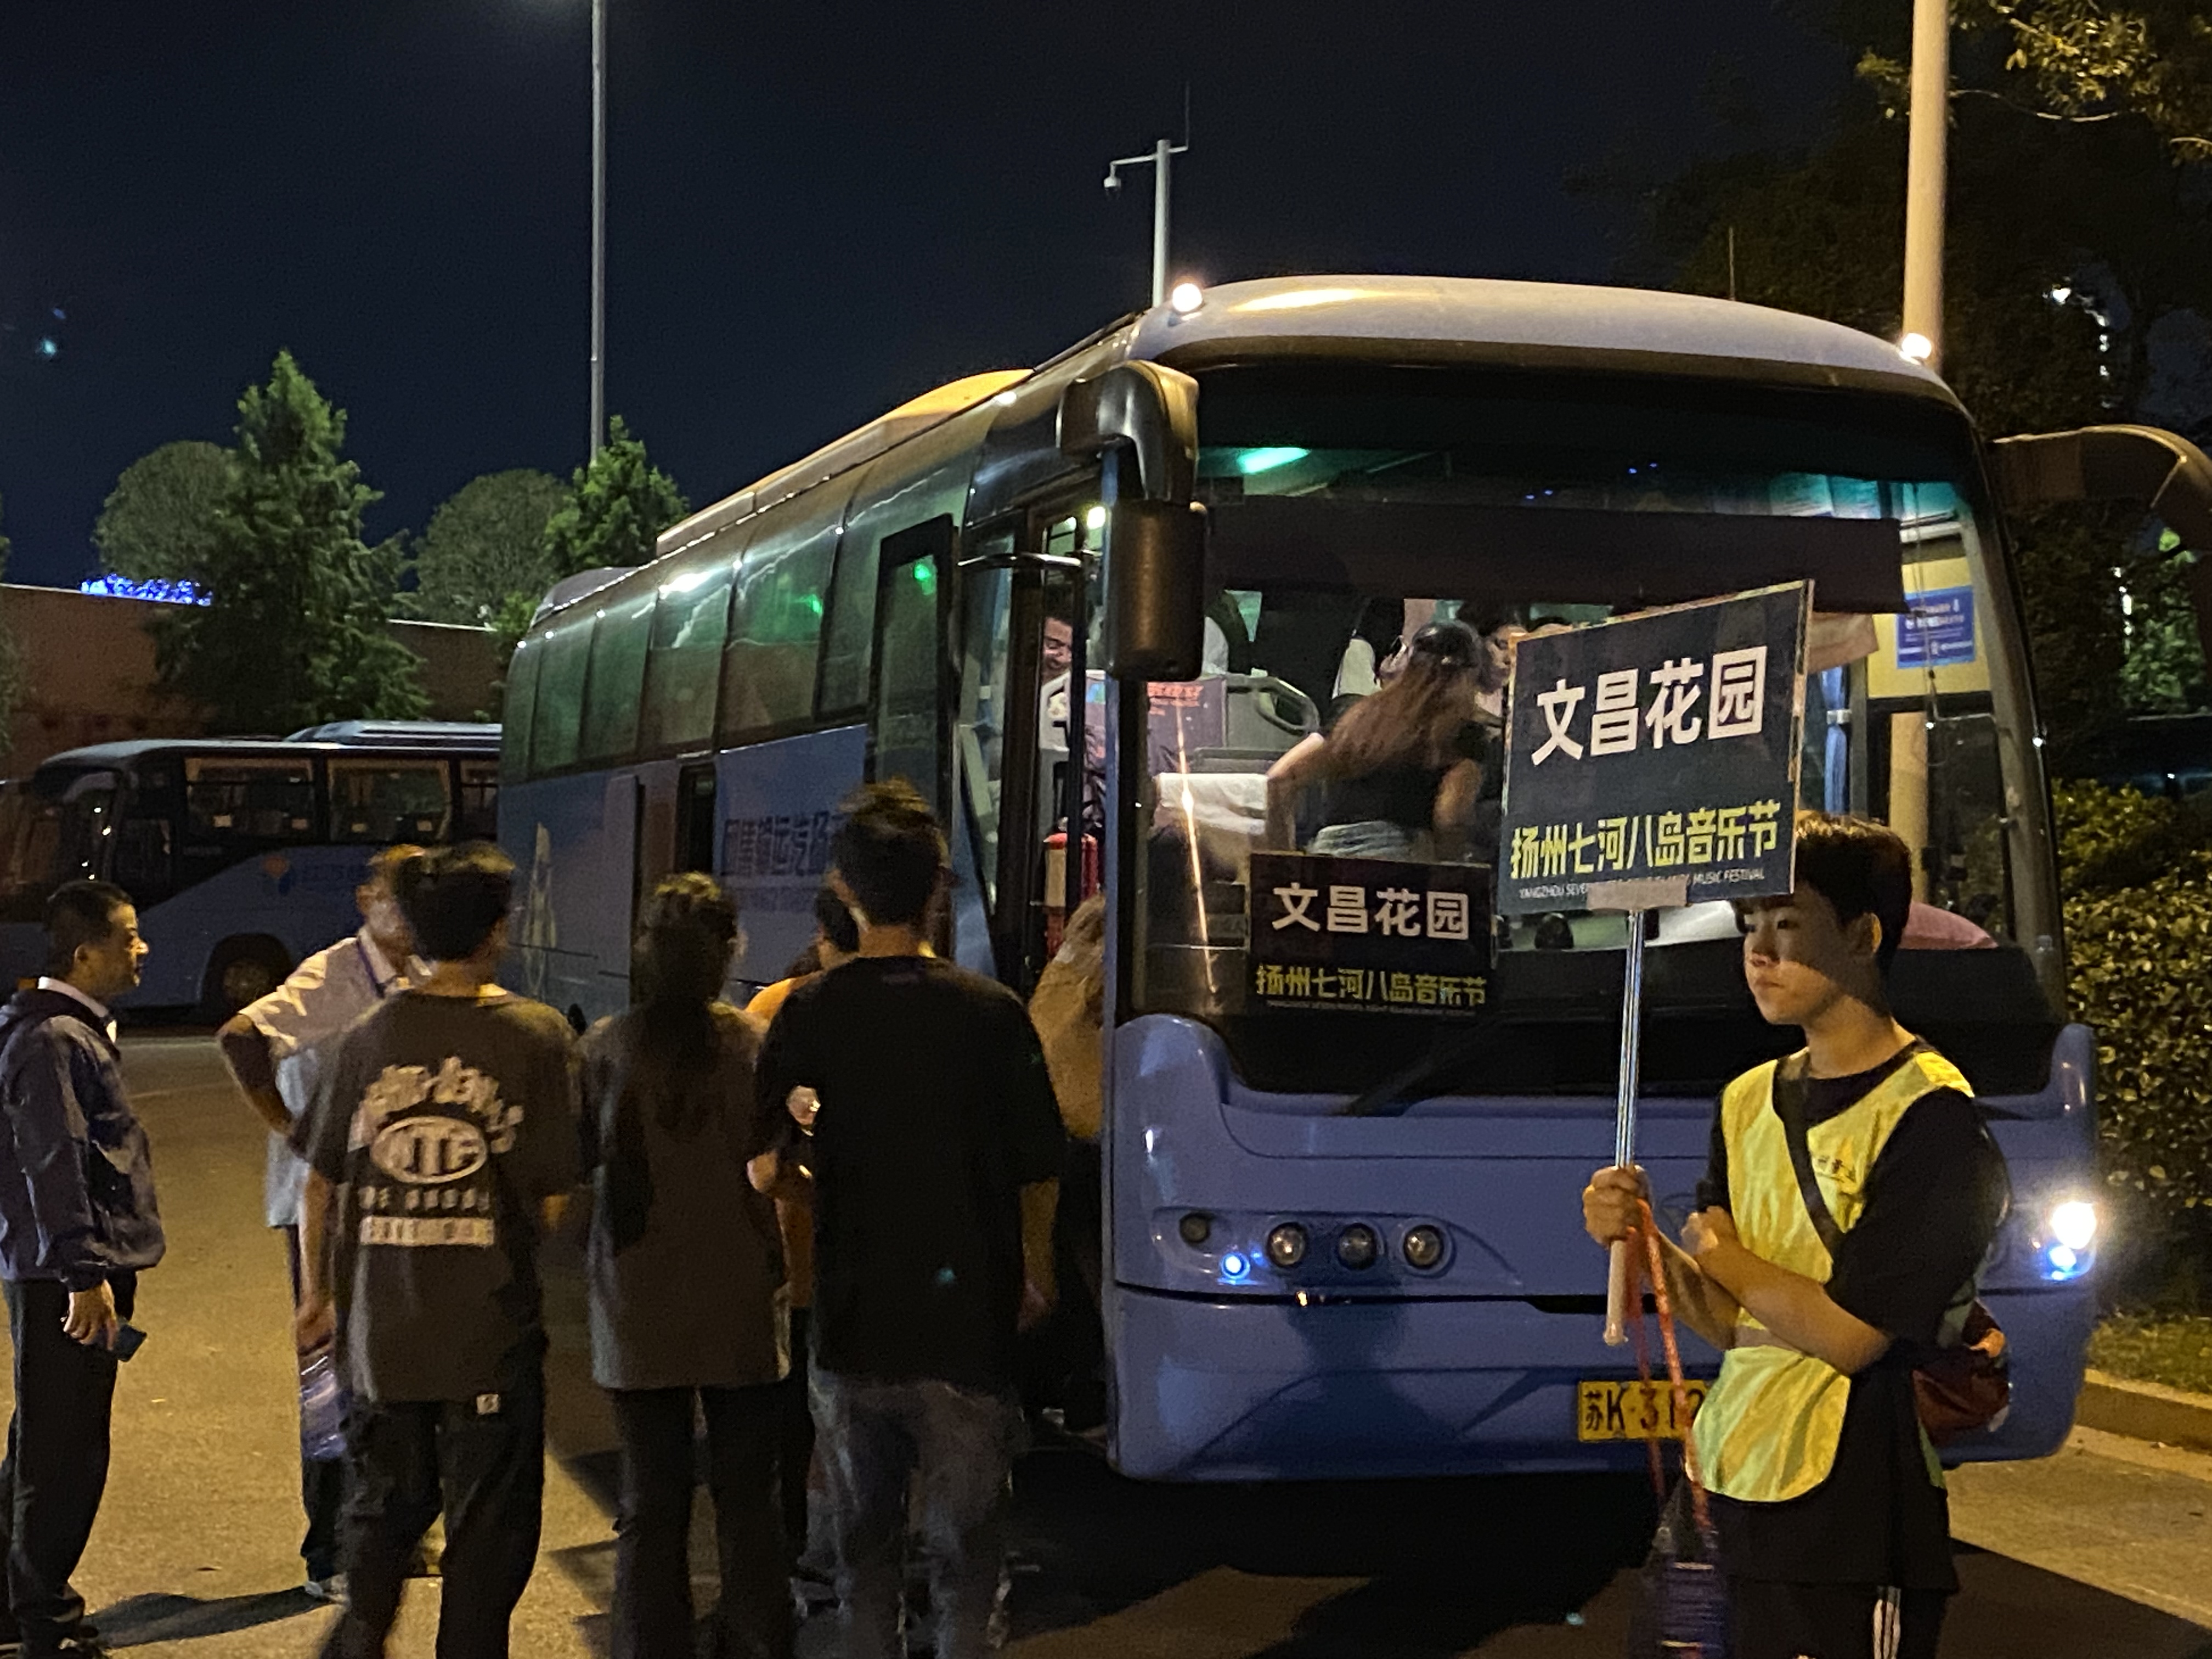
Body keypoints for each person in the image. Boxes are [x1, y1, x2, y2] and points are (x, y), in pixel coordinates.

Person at [1582, 812, 2009, 1659]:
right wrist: (1645, 1245)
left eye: (1787, 924)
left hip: (1854, 1510)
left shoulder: (1934, 1119)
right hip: (1726, 1482)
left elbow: (1852, 1338)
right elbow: (1733, 1325)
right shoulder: (1748, 1100)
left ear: (1862, 935)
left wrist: (1725, 1255)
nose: (1759, 952)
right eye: (1749, 926)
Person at [755, 782, 1065, 1659]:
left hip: (853, 1327)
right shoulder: (993, 1013)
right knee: (968, 1567)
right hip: (968, 1330)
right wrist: (1034, 1269)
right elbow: (1039, 1163)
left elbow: (768, 1169)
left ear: (843, 890)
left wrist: (830, 1190)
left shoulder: (808, 1010)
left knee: (866, 1565)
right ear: (938, 886)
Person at [292, 843, 581, 1659]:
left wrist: (318, 1296)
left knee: (381, 1521)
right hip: (489, 1338)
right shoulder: (537, 1036)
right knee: (488, 1540)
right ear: (498, 931)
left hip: (381, 1342)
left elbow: (320, 1183)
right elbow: (553, 1195)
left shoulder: (366, 1036)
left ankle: (358, 1642)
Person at [582, 874, 793, 1659]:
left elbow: (573, 1164)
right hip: (740, 1297)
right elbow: (782, 1165)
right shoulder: (754, 1046)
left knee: (651, 1501)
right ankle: (756, 1641)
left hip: (636, 1300)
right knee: (748, 1497)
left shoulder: (605, 1048)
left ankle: (649, 1646)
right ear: (728, 951)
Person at [216, 843, 422, 1600]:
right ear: (369, 901)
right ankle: (329, 1553)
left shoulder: (423, 975)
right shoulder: (330, 977)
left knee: (392, 1372)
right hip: (323, 1206)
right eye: (403, 896)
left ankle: (390, 1535)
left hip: (393, 1203)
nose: (416, 912)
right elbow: (240, 1038)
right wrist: (292, 1130)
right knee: (331, 1376)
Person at [0, 881, 163, 1659]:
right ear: (84, 953)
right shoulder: (54, 1040)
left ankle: (14, 1607)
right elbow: (53, 1159)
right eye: (128, 937)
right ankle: (47, 1623)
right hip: (67, 1274)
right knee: (64, 1453)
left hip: (62, 1267)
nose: (142, 948)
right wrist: (82, 1274)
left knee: (42, 1439)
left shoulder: (66, 1031)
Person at [744, 885, 860, 1592]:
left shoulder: (775, 1009)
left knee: (794, 1420)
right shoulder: (936, 1008)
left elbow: (761, 1164)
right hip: (878, 1265)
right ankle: (839, 1554)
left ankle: (798, 1555)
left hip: (797, 1260)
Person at [1265, 619, 1493, 862]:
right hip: (1400, 861)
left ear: (1408, 662)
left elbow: (1280, 778)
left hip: (1329, 855)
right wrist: (1450, 871)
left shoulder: (1357, 715)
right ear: (1470, 675)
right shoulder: (1464, 734)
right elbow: (1450, 819)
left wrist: (1285, 863)